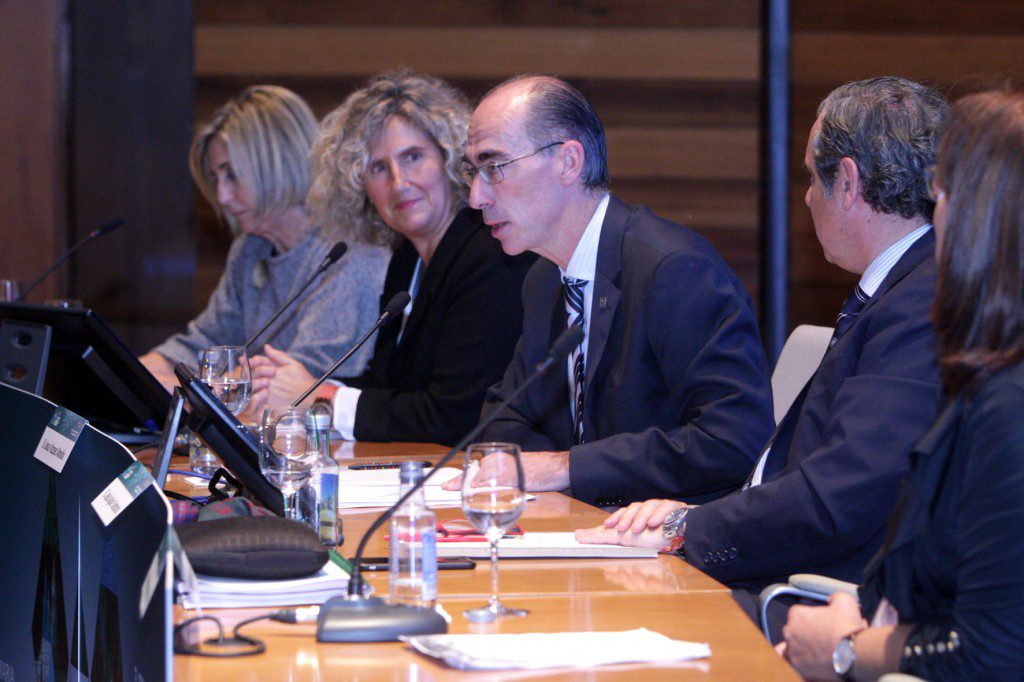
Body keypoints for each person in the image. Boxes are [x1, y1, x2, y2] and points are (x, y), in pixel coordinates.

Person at [577, 78, 947, 601]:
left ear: (847, 182)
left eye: (811, 176)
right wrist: (695, 517)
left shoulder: (920, 304)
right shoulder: (904, 287)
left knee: (597, 605)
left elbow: (839, 497)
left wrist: (687, 529)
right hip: (777, 562)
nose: (807, 196)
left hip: (816, 597)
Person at [778, 89, 1024, 680]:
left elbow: (991, 652)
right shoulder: (989, 372)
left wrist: (844, 649)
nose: (934, 220)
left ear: (985, 222)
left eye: (941, 196)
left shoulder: (1008, 405)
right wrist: (861, 612)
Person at [452, 75, 773, 506]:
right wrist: (550, 473)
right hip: (582, 524)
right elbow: (504, 417)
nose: (476, 197)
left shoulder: (674, 270)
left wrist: (566, 468)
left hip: (672, 533)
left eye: (494, 168)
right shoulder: (544, 279)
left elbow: (732, 440)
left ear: (568, 162)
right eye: (473, 172)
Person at [248, 72, 534, 446]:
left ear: (449, 160)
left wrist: (320, 398)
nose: (398, 183)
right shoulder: (406, 259)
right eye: (379, 168)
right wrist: (297, 388)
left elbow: (455, 416)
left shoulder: (490, 254)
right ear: (359, 187)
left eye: (413, 157)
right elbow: (390, 388)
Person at [141, 85, 388, 390]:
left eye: (232, 175)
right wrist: (132, 372)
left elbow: (295, 385)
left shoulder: (351, 256)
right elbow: (205, 343)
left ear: (277, 165)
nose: (221, 196)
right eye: (216, 178)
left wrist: (176, 387)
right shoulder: (251, 248)